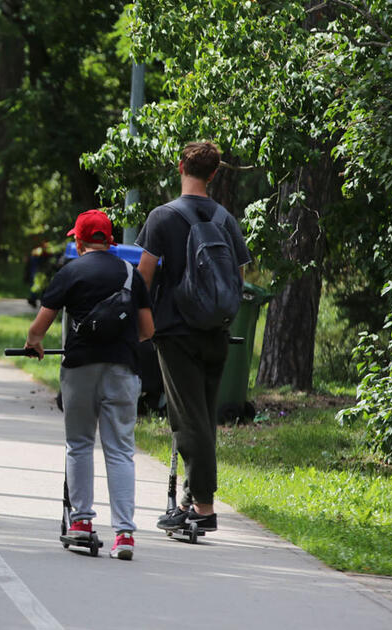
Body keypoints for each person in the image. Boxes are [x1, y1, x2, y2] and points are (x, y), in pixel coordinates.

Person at [22, 209, 154, 561]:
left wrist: (34, 342)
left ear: (78, 241)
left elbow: (40, 326)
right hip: (123, 370)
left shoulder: (71, 272)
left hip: (80, 368)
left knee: (79, 443)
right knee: (121, 449)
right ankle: (124, 533)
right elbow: (147, 330)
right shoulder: (131, 274)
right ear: (110, 240)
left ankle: (81, 522)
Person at [136, 141, 251, 535]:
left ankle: (203, 506)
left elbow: (143, 279)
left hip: (176, 332)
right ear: (215, 173)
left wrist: (141, 327)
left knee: (189, 421)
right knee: (203, 419)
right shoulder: (226, 219)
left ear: (180, 165)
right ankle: (191, 497)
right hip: (217, 332)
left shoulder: (162, 217)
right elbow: (237, 281)